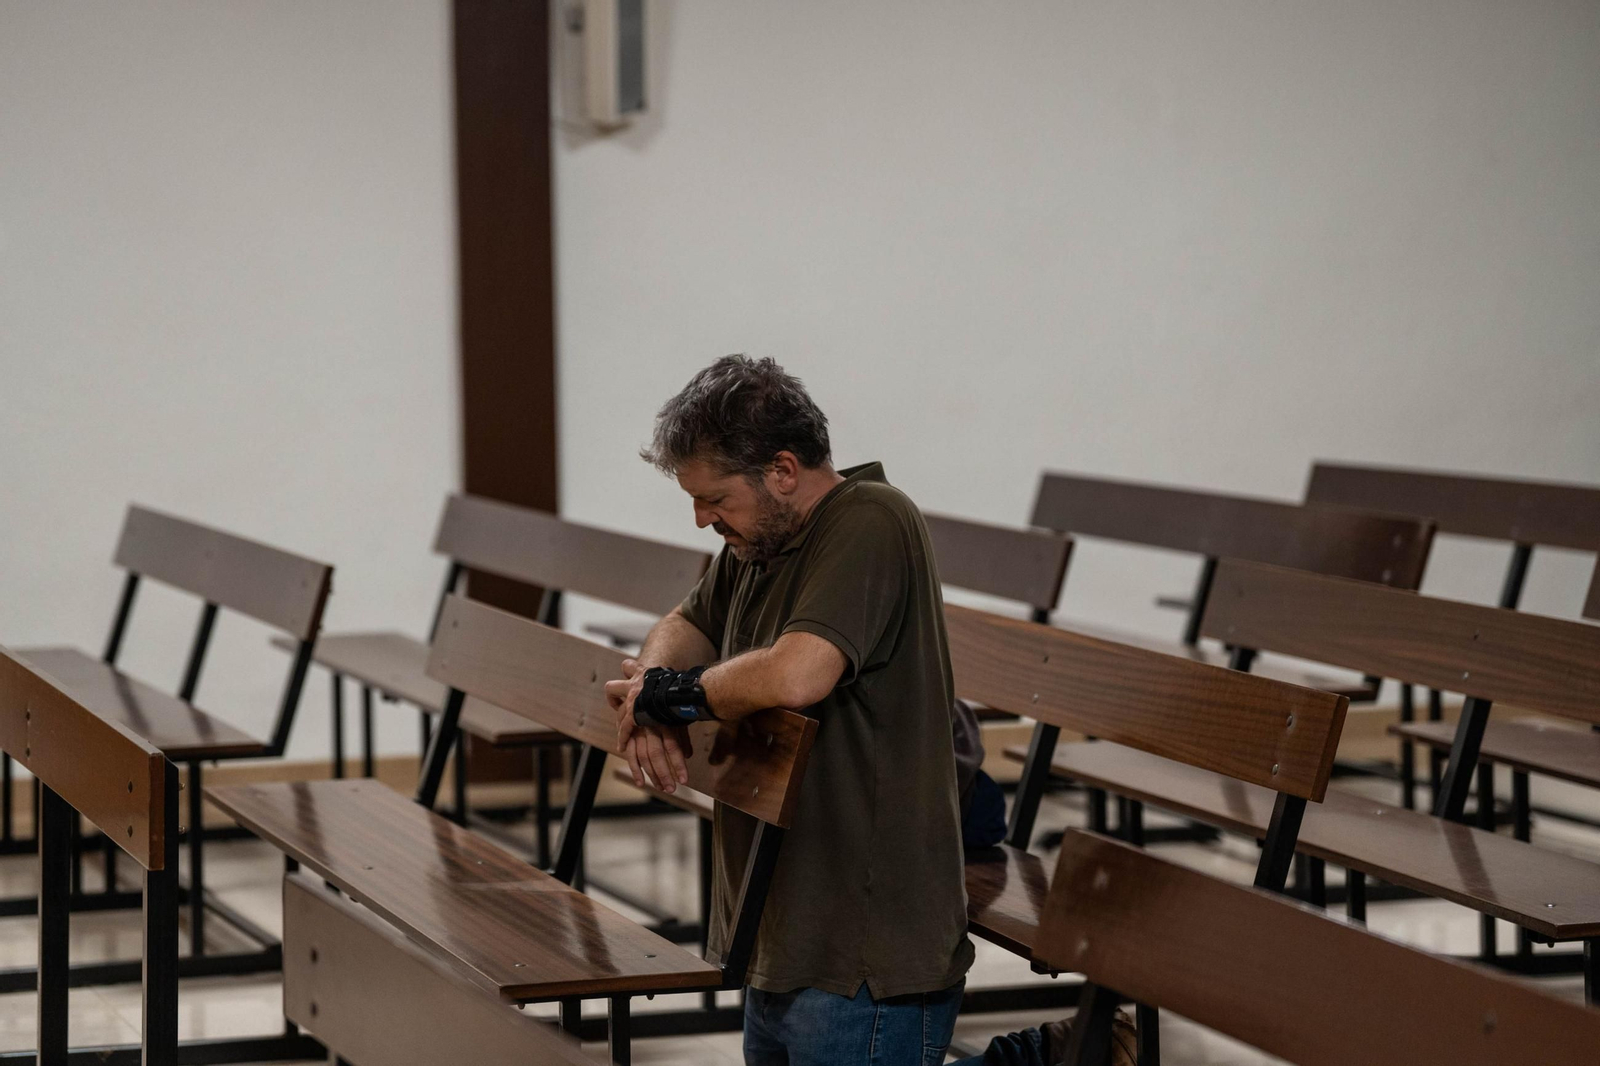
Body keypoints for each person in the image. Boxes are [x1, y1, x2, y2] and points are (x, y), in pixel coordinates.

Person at [606, 355, 973, 1065]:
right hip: (780, 917)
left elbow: (799, 672)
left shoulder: (871, 519)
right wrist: (651, 684)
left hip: (863, 938)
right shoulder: (756, 541)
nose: (700, 518)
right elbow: (684, 623)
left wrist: (671, 699)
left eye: (713, 499)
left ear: (781, 471)